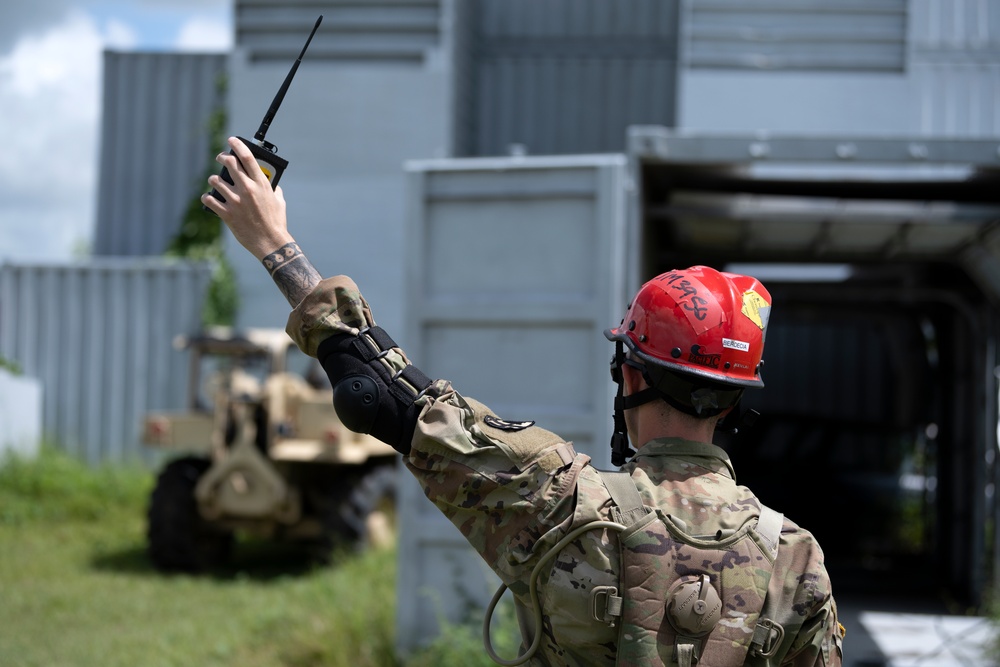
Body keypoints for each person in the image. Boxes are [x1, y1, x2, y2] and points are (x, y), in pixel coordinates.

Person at [202, 136, 845, 666]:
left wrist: (274, 243)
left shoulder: (557, 501)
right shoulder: (798, 560)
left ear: (630, 378)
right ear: (732, 402)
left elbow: (379, 392)